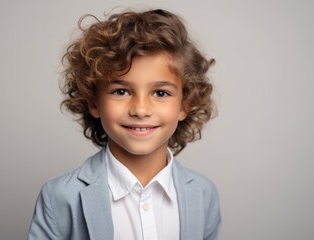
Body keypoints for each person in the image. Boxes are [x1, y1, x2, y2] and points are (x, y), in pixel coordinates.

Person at [28, 8, 221, 240]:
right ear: (94, 102)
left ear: (184, 105)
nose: (140, 109)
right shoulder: (59, 197)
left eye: (160, 93)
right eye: (121, 91)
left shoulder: (204, 193)